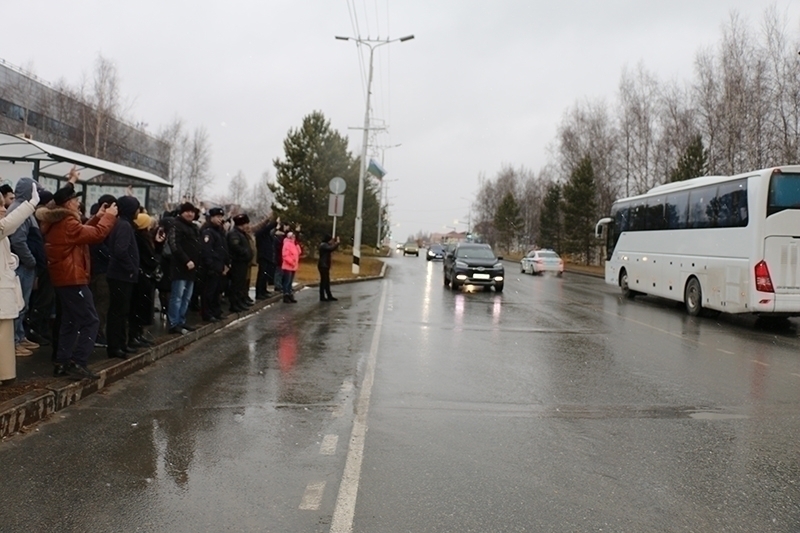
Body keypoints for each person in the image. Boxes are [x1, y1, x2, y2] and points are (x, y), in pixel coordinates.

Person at [36, 174, 118, 379]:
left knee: (71, 321)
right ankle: (78, 362)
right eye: (75, 200)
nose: (78, 202)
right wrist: (109, 217)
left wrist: (98, 216)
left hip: (64, 278)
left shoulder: (60, 221)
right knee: (91, 321)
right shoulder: (67, 223)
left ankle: (62, 362)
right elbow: (96, 235)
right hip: (73, 279)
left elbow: (82, 232)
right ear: (68, 204)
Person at [0, 184, 38, 382]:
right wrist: (30, 204)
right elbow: (10, 224)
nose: (4, 209)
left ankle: (5, 375)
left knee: (5, 337)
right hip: (2, 292)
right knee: (3, 338)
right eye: (0, 205)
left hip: (4, 291)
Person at [7, 178, 44, 356]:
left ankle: (20, 336)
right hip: (22, 266)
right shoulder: (19, 210)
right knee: (19, 304)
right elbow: (19, 241)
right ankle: (14, 341)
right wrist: (31, 261)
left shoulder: (24, 209)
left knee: (24, 304)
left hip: (25, 265)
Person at [105, 195, 140, 359]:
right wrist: (131, 268)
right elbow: (120, 250)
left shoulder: (123, 224)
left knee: (120, 312)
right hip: (121, 275)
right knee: (118, 312)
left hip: (120, 274)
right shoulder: (124, 225)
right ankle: (115, 346)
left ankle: (120, 344)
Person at [167, 202, 201, 335]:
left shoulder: (193, 227)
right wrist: (186, 260)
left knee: (187, 297)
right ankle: (174, 323)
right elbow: (174, 245)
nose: (190, 214)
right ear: (181, 212)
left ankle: (181, 320)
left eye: (192, 211)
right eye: (187, 211)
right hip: (180, 267)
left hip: (192, 268)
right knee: (177, 296)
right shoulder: (176, 225)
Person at [88, 193, 116, 347]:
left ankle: (95, 332)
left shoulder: (99, 220)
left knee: (99, 300)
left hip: (98, 267)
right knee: (102, 301)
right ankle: (97, 333)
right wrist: (111, 257)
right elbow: (98, 243)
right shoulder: (100, 221)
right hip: (100, 269)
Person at [129, 212, 159, 347]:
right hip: (142, 277)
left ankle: (138, 334)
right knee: (138, 307)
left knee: (141, 307)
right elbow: (148, 258)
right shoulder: (140, 239)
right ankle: (135, 335)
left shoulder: (144, 237)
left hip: (144, 276)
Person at [200, 207, 229, 322]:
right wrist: (211, 266)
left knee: (217, 291)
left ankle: (216, 311)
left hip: (220, 266)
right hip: (211, 267)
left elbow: (223, 249)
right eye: (217, 217)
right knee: (209, 292)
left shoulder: (220, 232)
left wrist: (227, 263)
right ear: (211, 218)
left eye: (221, 217)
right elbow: (206, 251)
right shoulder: (208, 232)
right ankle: (207, 313)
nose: (220, 219)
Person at [226, 214, 254, 312]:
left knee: (241, 284)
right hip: (237, 263)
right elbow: (235, 246)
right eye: (245, 223)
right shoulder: (234, 234)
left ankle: (239, 302)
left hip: (243, 263)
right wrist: (245, 252)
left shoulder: (241, 233)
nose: (247, 225)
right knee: (236, 285)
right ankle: (234, 304)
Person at [254, 214, 279, 299]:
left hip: (267, 256)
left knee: (266, 275)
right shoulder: (260, 233)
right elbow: (267, 228)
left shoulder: (267, 234)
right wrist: (274, 221)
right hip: (263, 256)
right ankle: (259, 292)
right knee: (261, 275)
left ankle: (263, 290)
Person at [318, 234, 340, 302]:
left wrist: (334, 243)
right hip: (323, 265)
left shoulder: (325, 244)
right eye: (330, 240)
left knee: (327, 281)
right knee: (324, 281)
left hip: (325, 265)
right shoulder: (323, 245)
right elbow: (331, 248)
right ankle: (322, 296)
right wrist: (337, 243)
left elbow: (331, 248)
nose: (331, 241)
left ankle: (329, 295)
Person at [281, 231, 301, 303]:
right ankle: (285, 295)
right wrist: (291, 262)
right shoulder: (287, 244)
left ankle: (290, 294)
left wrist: (297, 244)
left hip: (293, 266)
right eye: (292, 236)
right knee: (287, 281)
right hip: (288, 266)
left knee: (290, 282)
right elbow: (285, 255)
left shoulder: (293, 244)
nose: (294, 238)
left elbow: (299, 252)